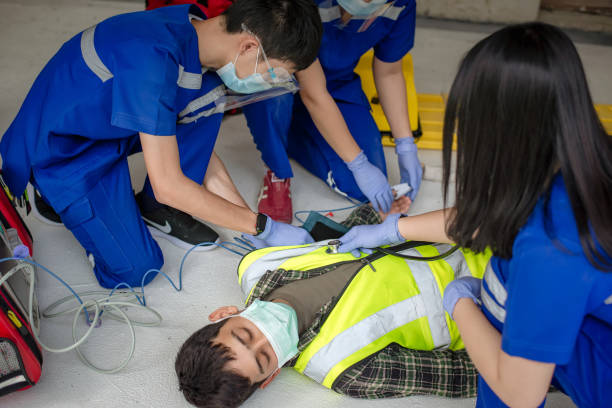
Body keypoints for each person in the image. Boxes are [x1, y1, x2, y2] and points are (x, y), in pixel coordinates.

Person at [337, 23, 612, 407]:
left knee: (500, 290)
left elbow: (520, 394)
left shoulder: (549, 247)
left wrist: (463, 304)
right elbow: (503, 215)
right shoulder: (592, 160)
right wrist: (396, 229)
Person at [0, 1, 322, 289]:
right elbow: (169, 184)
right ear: (250, 45)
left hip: (111, 125)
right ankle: (51, 194)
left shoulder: (193, 33)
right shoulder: (152, 59)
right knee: (138, 270)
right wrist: (262, 227)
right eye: (273, 73)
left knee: (208, 96)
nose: (267, 82)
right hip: (65, 151)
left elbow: (205, 157)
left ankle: (156, 210)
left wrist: (252, 227)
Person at [175, 203, 485, 408]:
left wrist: (377, 214)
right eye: (265, 356)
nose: (267, 336)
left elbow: (336, 244)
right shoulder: (346, 369)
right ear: (271, 377)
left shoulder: (258, 266)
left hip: (453, 231)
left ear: (225, 314)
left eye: (244, 334)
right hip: (497, 293)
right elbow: (462, 375)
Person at [242, 0, 422, 223]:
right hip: (282, 78)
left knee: (361, 188)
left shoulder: (401, 4)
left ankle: (292, 134)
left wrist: (406, 145)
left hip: (336, 85)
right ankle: (277, 168)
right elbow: (313, 92)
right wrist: (357, 162)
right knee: (274, 96)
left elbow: (390, 72)